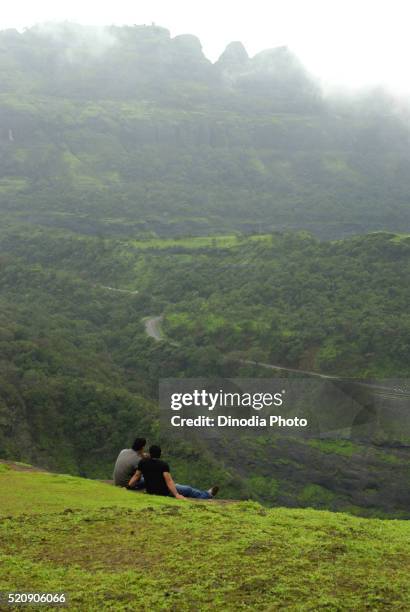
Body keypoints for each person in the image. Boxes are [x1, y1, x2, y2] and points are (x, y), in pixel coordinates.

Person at [127, 445, 219, 500]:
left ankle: (206, 494)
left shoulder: (143, 463)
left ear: (150, 454)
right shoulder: (163, 465)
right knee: (188, 489)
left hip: (150, 491)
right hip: (164, 492)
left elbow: (136, 476)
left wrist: (128, 486)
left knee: (183, 488)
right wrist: (176, 495)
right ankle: (207, 495)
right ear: (160, 454)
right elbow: (169, 481)